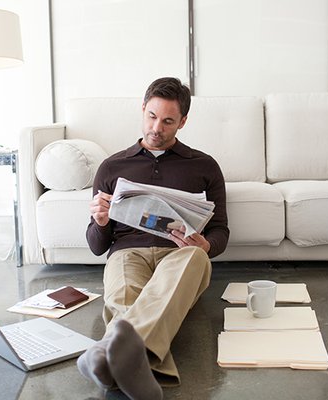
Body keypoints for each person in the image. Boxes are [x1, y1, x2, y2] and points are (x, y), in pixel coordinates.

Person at [78, 77, 229, 399]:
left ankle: (104, 355)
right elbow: (96, 246)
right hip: (127, 251)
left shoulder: (204, 166)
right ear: (142, 109)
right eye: (151, 116)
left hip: (180, 253)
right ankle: (135, 362)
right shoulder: (112, 166)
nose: (157, 127)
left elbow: (221, 231)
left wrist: (206, 245)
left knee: (192, 260)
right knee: (124, 294)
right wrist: (100, 220)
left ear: (183, 122)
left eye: (168, 121)